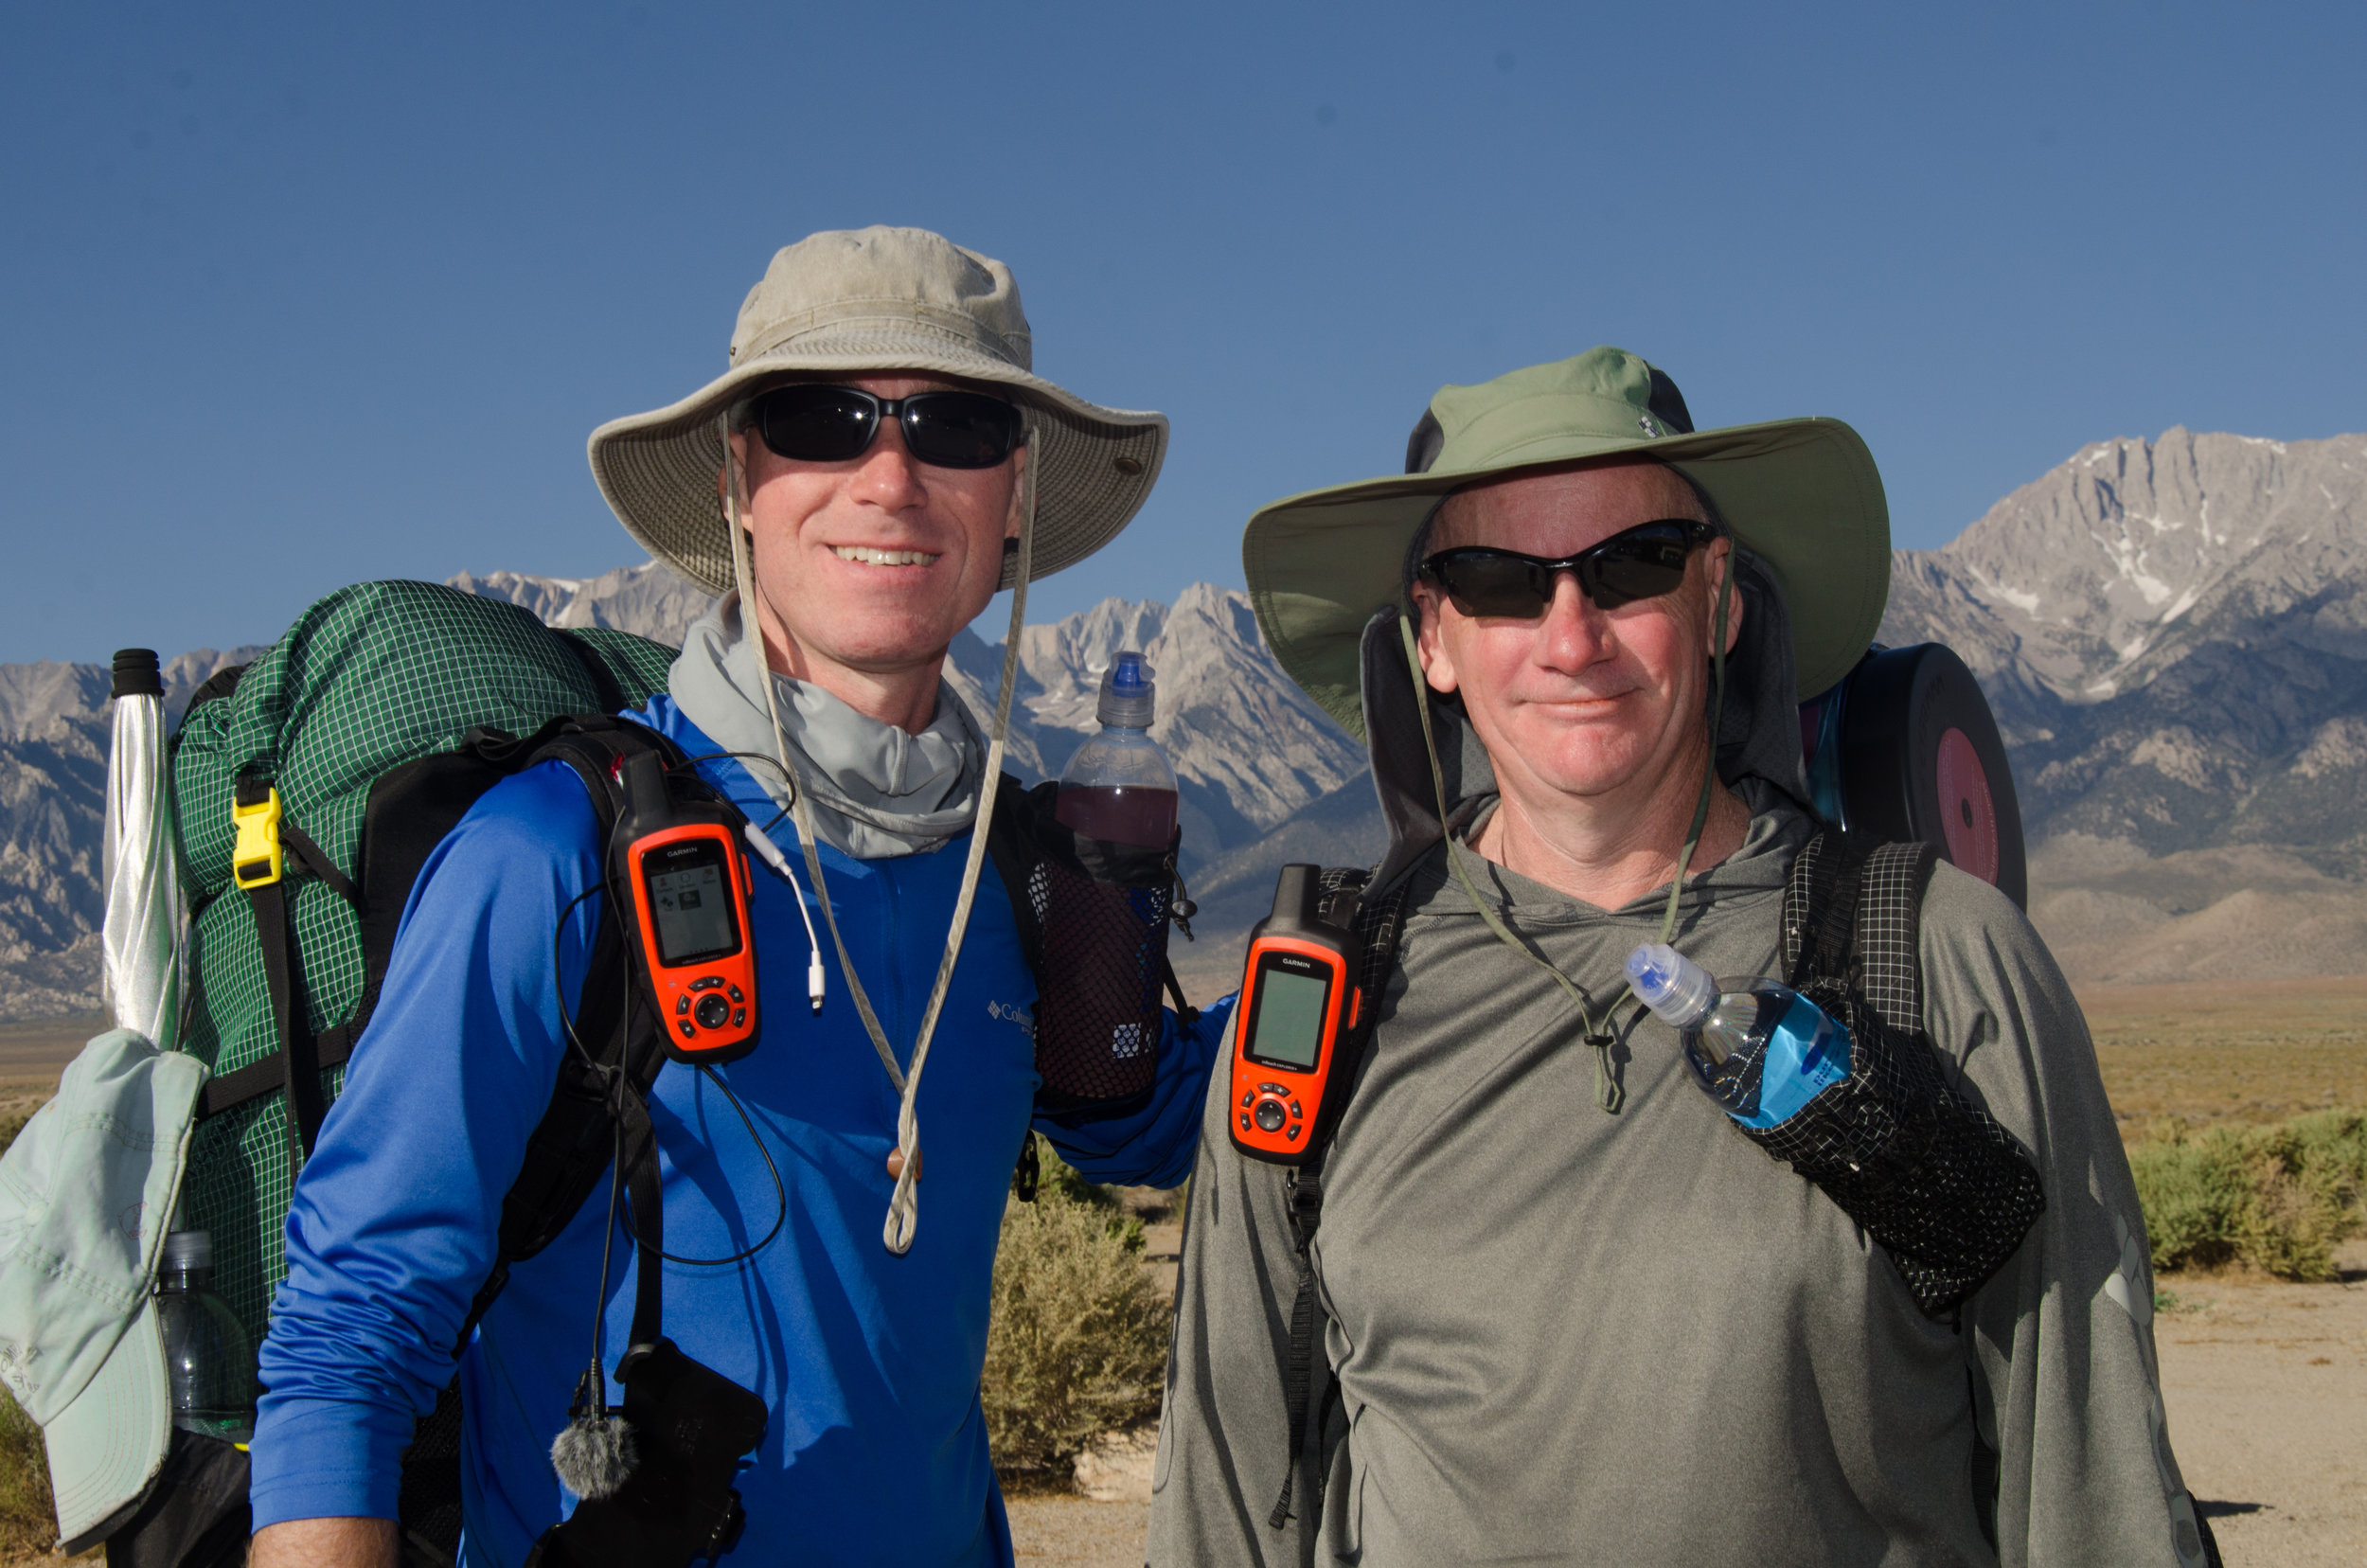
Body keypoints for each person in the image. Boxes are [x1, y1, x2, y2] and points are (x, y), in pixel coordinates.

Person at [246, 226, 1229, 1567]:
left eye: (955, 425)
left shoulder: (1018, 872)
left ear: (1014, 495)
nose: (889, 476)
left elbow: (1160, 1124)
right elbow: (353, 1320)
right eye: (821, 419)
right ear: (742, 482)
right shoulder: (554, 853)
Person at [1148, 349, 2216, 1566]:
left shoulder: (1935, 960)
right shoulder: (1317, 1012)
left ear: (1719, 602)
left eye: (1632, 565)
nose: (1570, 635)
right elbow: (1228, 1496)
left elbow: (2091, 1478)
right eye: (1499, 580)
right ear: (1432, 640)